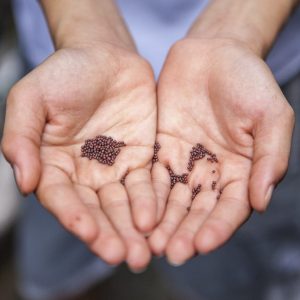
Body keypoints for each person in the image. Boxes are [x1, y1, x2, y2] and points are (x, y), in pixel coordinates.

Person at [1, 0, 299, 299]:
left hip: (244, 89)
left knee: (232, 264)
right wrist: (84, 26)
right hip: (74, 86)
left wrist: (236, 29)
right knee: (62, 241)